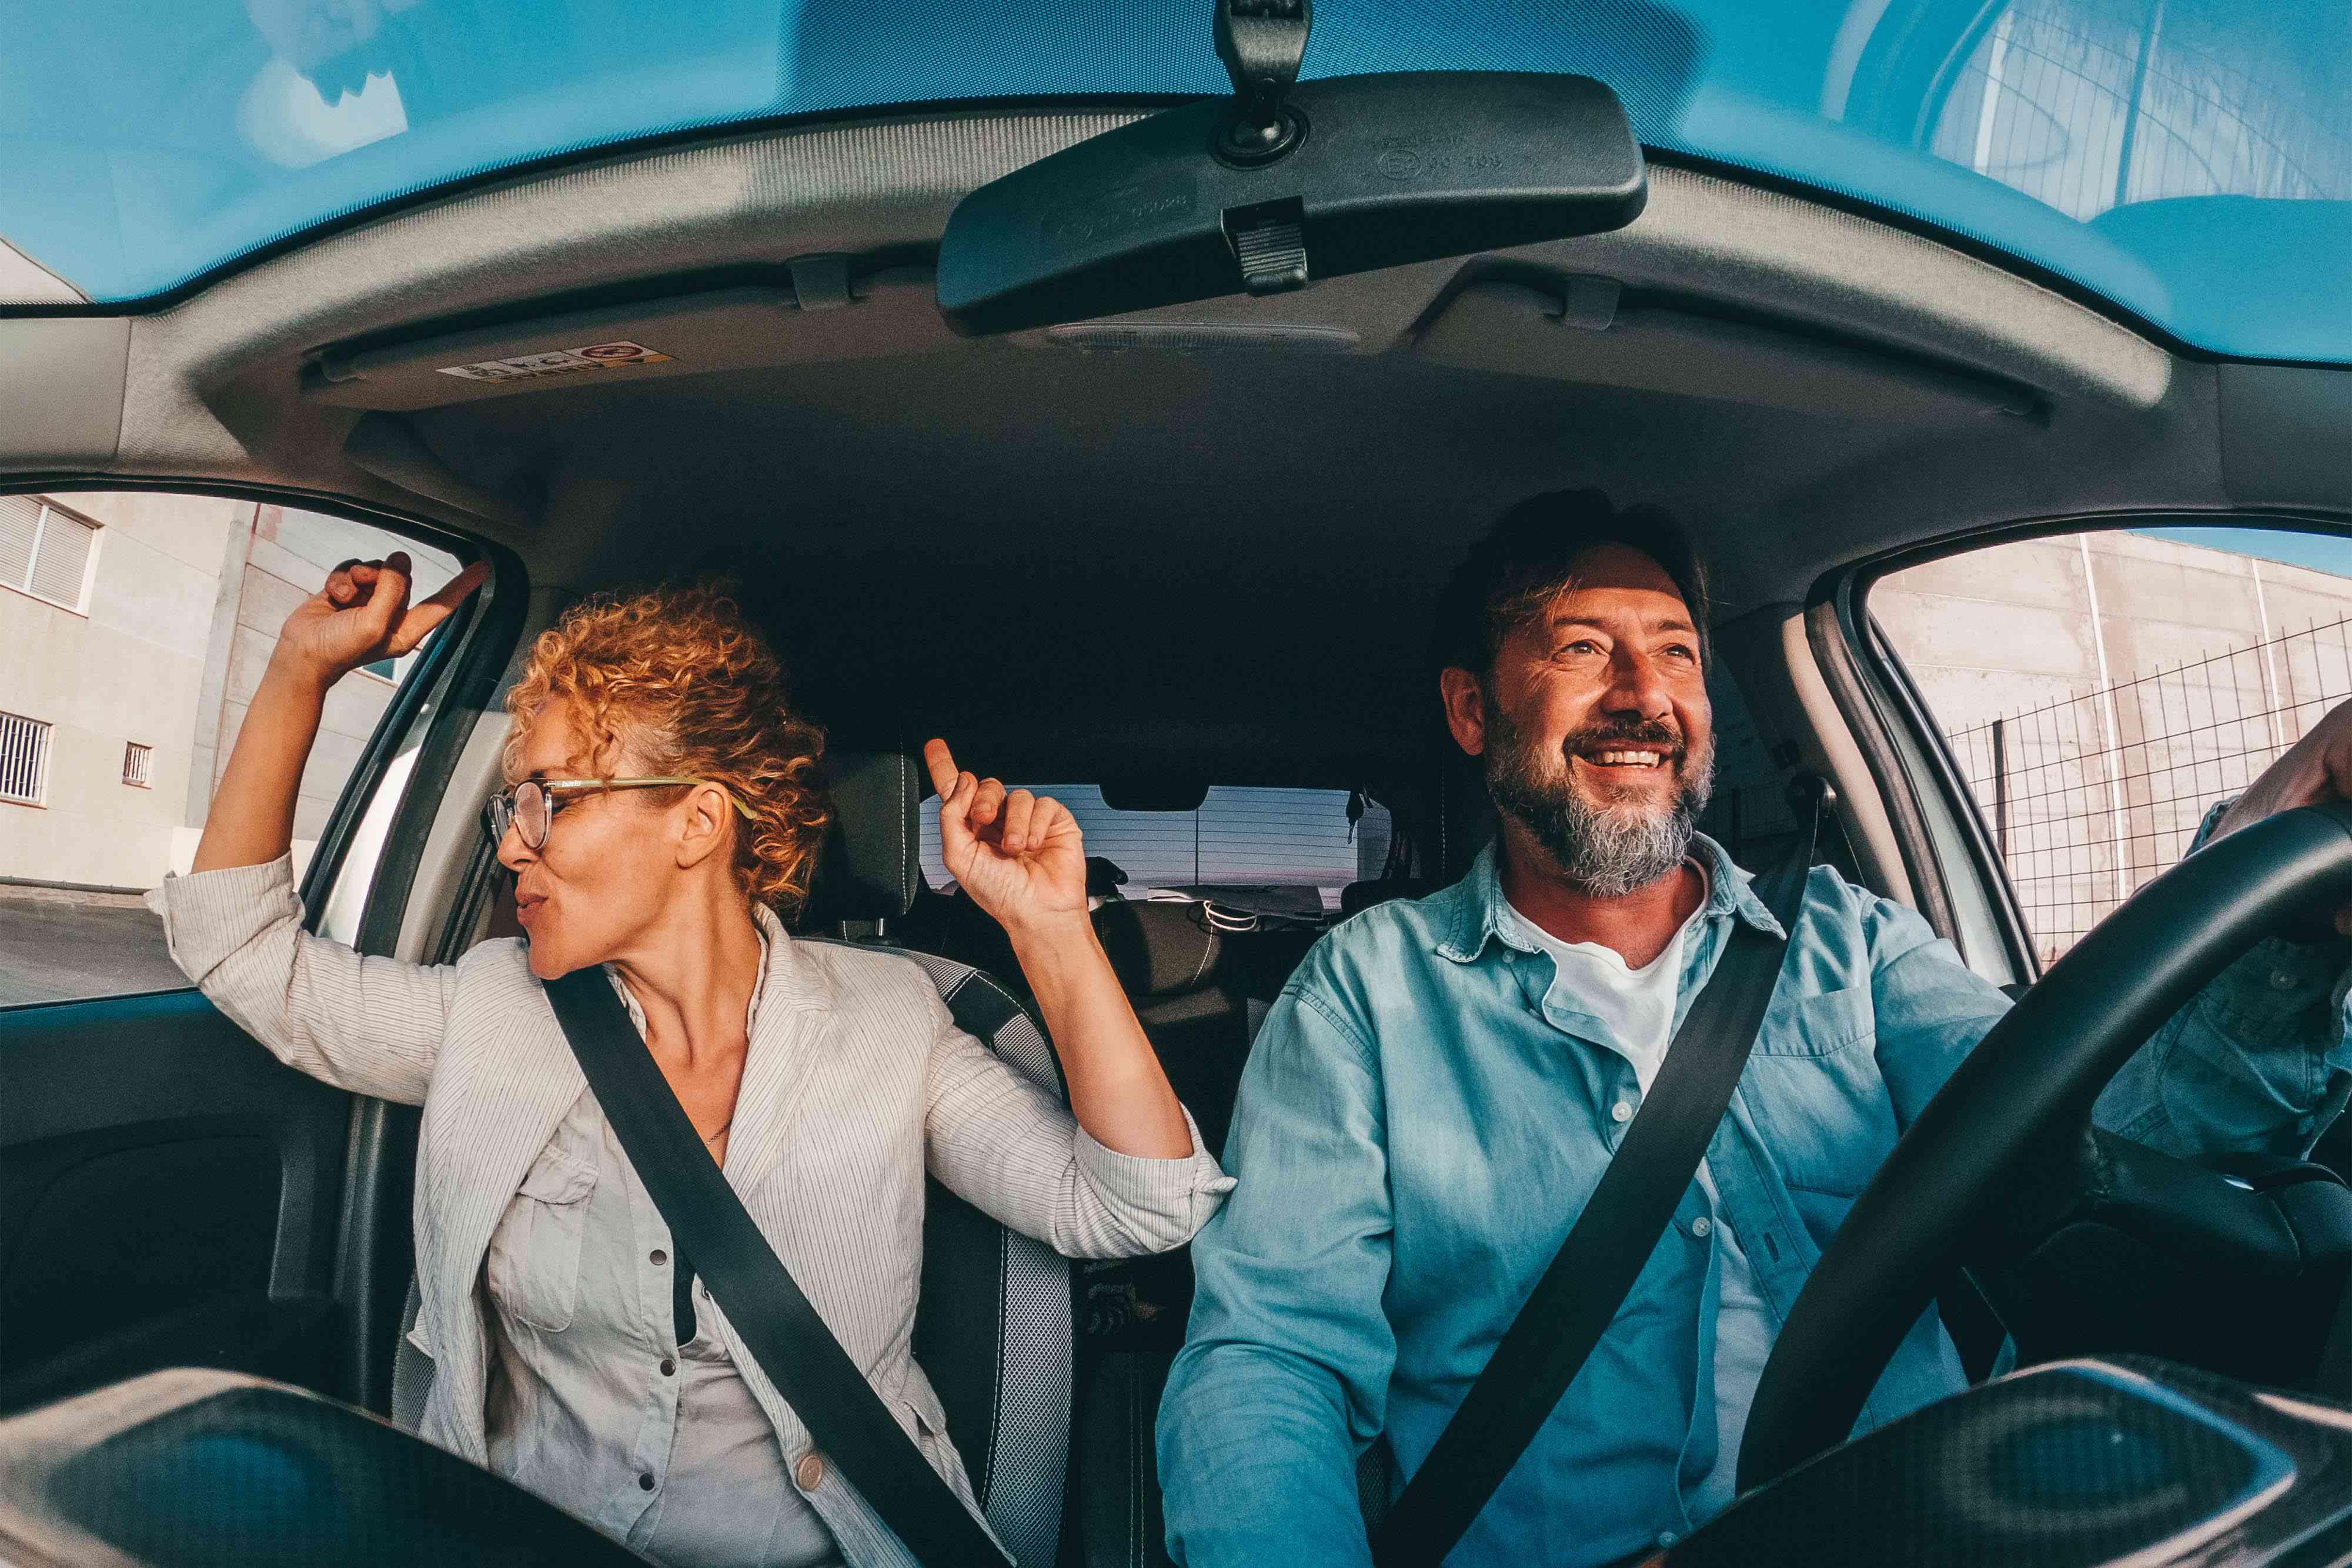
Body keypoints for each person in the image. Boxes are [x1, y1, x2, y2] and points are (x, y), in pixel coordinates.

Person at [1156, 490, 2352, 1568]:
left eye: (1673, 652)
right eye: (1583, 648)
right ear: (1472, 710)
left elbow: (2083, 1140)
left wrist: (2276, 860)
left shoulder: (1851, 944)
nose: (1642, 695)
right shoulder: (1363, 994)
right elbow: (1271, 1362)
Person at [149, 556, 1232, 1568]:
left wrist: (1047, 928)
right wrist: (301, 671)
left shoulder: (894, 1023)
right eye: (513, 807)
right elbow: (243, 957)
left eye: (551, 802)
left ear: (697, 822)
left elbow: (1139, 1207)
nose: (514, 843)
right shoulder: (491, 1008)